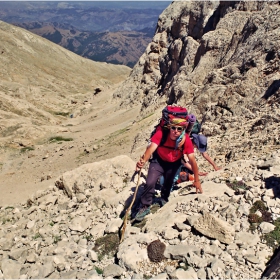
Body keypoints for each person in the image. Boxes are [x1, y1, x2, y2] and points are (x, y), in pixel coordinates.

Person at [134, 118, 203, 221]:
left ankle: (164, 198)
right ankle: (145, 205)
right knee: (150, 182)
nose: (176, 131)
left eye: (179, 129)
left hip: (174, 163)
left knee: (169, 182)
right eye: (173, 128)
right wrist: (142, 162)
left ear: (183, 130)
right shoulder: (161, 134)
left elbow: (192, 161)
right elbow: (151, 148)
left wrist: (197, 181)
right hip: (159, 161)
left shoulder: (186, 140)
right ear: (169, 128)